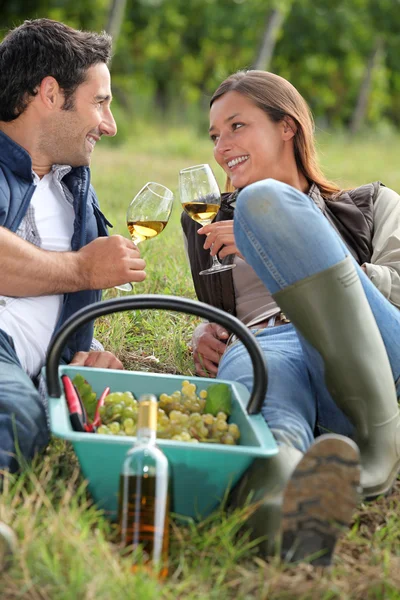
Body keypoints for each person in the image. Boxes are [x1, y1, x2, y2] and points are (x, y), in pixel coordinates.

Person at [181, 69, 400, 565]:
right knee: (270, 420)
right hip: (268, 346)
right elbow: (223, 312)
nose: (221, 147)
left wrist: (283, 252)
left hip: (366, 344)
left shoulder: (373, 205)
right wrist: (206, 329)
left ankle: (378, 446)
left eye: (237, 126)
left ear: (288, 127)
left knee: (264, 204)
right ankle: (277, 509)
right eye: (215, 135)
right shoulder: (209, 225)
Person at [0, 19, 146, 473]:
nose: (110, 125)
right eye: (99, 103)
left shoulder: (72, 185)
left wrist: (79, 353)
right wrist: (84, 269)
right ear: (48, 93)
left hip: (35, 368)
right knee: (17, 420)